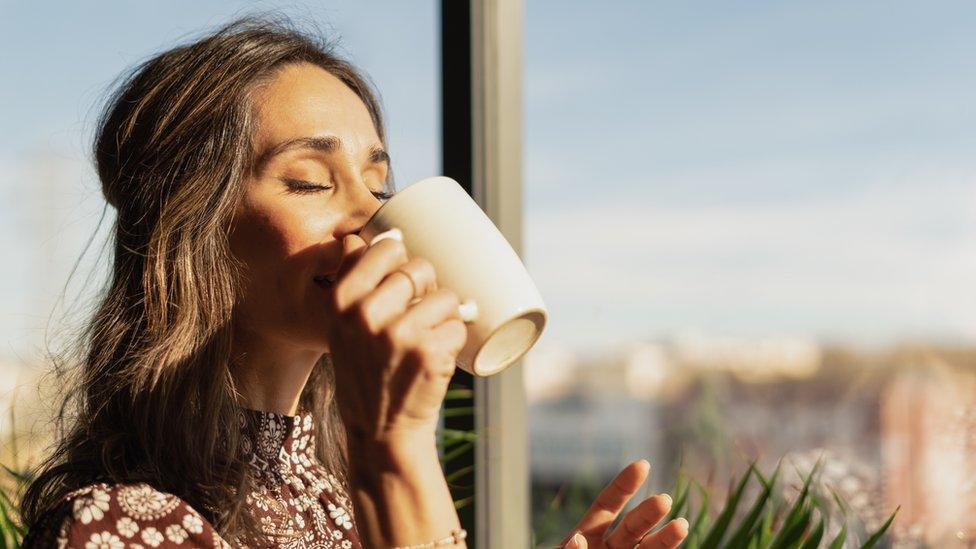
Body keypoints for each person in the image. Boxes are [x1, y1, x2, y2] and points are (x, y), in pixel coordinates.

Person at [19, 14, 689, 549]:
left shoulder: (338, 495)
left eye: (378, 182)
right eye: (310, 179)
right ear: (193, 227)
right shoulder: (115, 527)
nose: (373, 217)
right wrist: (393, 447)